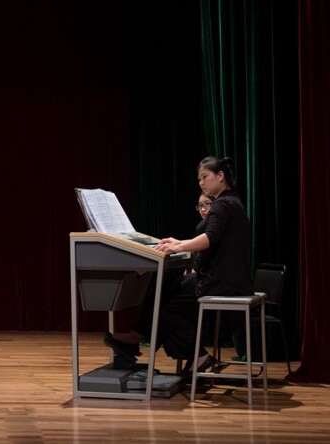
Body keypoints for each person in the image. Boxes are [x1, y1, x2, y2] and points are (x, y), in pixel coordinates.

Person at [104, 156, 253, 378]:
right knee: (166, 286)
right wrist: (179, 243)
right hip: (224, 280)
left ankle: (197, 355)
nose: (201, 182)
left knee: (165, 308)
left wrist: (178, 246)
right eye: (199, 178)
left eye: (205, 177)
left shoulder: (223, 203)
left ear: (221, 176)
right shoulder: (232, 201)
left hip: (221, 283)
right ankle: (136, 337)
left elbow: (209, 238)